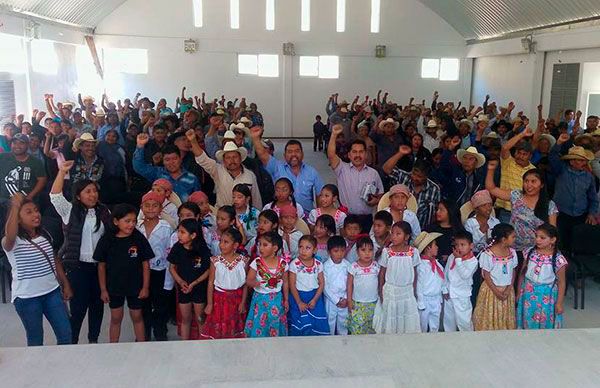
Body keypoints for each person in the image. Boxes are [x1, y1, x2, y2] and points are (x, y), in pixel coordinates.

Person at [50, 160, 111, 344]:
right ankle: (72, 342)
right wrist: (62, 172)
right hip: (78, 268)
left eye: (95, 191)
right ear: (78, 196)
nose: (93, 195)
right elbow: (55, 196)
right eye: (88, 192)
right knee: (77, 310)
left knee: (97, 308)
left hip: (99, 269)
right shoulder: (70, 211)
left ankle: (93, 341)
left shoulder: (104, 211)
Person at [2, 193, 72, 346]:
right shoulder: (12, 242)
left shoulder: (45, 234)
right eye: (29, 212)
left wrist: (65, 284)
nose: (36, 214)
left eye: (36, 210)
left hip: (52, 293)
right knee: (35, 339)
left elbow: (55, 260)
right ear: (17, 219)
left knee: (65, 334)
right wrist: (14, 206)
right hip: (27, 298)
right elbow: (10, 234)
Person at [95, 204, 153, 343]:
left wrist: (145, 287)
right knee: (116, 318)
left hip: (136, 287)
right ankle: (113, 347)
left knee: (137, 316)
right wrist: (103, 289)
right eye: (127, 221)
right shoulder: (107, 239)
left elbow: (146, 264)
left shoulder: (138, 238)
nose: (131, 224)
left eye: (134, 221)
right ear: (116, 221)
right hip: (114, 287)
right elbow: (101, 265)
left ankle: (142, 346)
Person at [486, 161, 558, 254]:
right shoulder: (516, 196)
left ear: (542, 185)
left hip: (536, 251)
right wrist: (490, 170)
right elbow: (491, 189)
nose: (529, 185)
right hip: (513, 249)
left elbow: (552, 231)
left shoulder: (550, 205)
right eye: (526, 181)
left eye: (533, 181)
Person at [251, 127, 324, 212]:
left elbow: (320, 196)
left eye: (297, 151)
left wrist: (318, 216)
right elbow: (263, 154)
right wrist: (255, 138)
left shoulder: (312, 172)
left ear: (302, 154)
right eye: (289, 152)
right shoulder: (276, 167)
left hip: (305, 219)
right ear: (284, 155)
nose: (294, 154)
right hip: (281, 217)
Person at [328, 125, 383, 232]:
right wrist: (334, 134)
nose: (358, 155)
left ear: (366, 154)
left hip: (367, 219)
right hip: (347, 217)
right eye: (354, 152)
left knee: (365, 247)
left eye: (361, 152)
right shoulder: (342, 169)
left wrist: (376, 201)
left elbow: (381, 195)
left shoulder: (374, 174)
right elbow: (331, 155)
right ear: (349, 155)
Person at [187, 130, 262, 209]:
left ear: (240, 158)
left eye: (235, 157)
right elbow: (203, 159)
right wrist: (193, 141)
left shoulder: (250, 175)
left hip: (244, 218)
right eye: (228, 158)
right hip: (222, 216)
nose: (232, 161)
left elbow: (256, 200)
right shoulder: (217, 170)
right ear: (224, 160)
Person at [550, 135, 598, 254]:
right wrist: (559, 143)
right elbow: (552, 157)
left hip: (580, 216)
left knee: (577, 245)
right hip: (561, 215)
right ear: (571, 161)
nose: (581, 162)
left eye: (583, 160)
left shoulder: (589, 177)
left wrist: (592, 213)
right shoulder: (561, 170)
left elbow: (593, 198)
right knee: (560, 244)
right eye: (578, 159)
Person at [136, 191, 173, 341]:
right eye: (147, 206)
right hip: (140, 273)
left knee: (160, 305)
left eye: (155, 206)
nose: (151, 209)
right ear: (141, 207)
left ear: (160, 209)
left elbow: (169, 253)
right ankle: (143, 333)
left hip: (160, 271)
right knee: (142, 304)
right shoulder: (137, 227)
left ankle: (160, 332)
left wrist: (169, 279)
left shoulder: (166, 227)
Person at [373, 221, 421, 334]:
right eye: (392, 233)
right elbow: (382, 273)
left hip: (407, 291)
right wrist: (380, 290)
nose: (393, 236)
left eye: (398, 234)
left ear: (407, 236)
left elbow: (415, 273)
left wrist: (414, 291)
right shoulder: (387, 252)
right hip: (391, 291)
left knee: (406, 319)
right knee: (391, 318)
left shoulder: (413, 252)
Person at [516, 223, 567, 330]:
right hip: (528, 293)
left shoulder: (558, 259)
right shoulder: (529, 252)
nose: (537, 240)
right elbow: (522, 274)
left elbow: (562, 282)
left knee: (544, 320)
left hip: (546, 296)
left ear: (553, 240)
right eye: (537, 236)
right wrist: (518, 292)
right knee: (528, 317)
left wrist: (559, 303)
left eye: (542, 238)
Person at [201, 228, 249, 339]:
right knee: (218, 325)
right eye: (221, 241)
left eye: (226, 242)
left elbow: (245, 284)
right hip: (219, 300)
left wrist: (243, 302)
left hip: (236, 300)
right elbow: (210, 282)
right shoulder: (215, 261)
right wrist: (210, 303)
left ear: (235, 245)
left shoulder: (243, 261)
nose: (221, 245)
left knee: (235, 326)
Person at [168, 219, 211, 340]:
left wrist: (194, 283)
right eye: (179, 232)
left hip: (199, 288)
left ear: (193, 235)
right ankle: (184, 345)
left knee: (200, 318)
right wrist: (181, 282)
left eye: (182, 232)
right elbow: (172, 268)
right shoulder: (177, 248)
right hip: (184, 289)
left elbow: (208, 270)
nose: (179, 235)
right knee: (185, 319)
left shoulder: (202, 249)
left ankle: (203, 346)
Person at [473, 223, 518, 331]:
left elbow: (513, 271)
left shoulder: (512, 253)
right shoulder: (487, 254)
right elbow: (487, 276)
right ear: (503, 239)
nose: (515, 239)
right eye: (513, 236)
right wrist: (497, 292)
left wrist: (508, 289)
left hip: (507, 290)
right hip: (491, 291)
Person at [244, 231, 289, 337]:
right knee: (260, 324)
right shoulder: (256, 262)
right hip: (260, 301)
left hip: (277, 300)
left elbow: (286, 282)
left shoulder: (283, 264)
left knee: (275, 323)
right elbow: (248, 280)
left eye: (265, 245)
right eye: (259, 244)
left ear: (275, 248)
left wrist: (286, 300)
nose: (261, 248)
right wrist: (254, 283)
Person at [384, 146, 441, 228]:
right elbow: (386, 168)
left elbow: (435, 214)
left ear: (426, 177)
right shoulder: (404, 177)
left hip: (422, 230)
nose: (415, 178)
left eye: (419, 176)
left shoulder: (434, 189)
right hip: (397, 229)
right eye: (414, 173)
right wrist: (400, 153)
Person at [134, 134, 200, 202]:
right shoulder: (157, 173)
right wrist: (140, 146)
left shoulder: (192, 178)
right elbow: (139, 167)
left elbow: (198, 200)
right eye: (167, 160)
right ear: (163, 161)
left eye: (174, 159)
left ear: (180, 159)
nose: (171, 162)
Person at [288, 235, 329, 336]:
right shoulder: (294, 264)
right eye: (301, 247)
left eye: (308, 248)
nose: (303, 251)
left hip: (315, 297)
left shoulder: (318, 264)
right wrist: (299, 302)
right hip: (298, 297)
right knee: (301, 324)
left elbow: (321, 283)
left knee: (316, 324)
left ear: (315, 250)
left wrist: (315, 299)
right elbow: (292, 285)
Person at [495, 128, 536, 223]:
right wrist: (522, 134)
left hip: (524, 212)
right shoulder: (508, 162)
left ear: (530, 156)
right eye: (518, 153)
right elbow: (505, 148)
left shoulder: (533, 170)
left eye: (524, 154)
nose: (520, 156)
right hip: (506, 211)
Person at [442, 230, 478, 332]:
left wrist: (458, 260)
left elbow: (465, 275)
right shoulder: (452, 256)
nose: (459, 248)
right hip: (449, 293)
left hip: (462, 295)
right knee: (449, 321)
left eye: (463, 245)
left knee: (464, 321)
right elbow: (446, 274)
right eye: (457, 245)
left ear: (471, 246)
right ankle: (450, 341)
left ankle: (467, 342)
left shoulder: (473, 261)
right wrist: (445, 289)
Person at [346, 236, 380, 335]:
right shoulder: (353, 267)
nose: (367, 253)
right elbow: (349, 285)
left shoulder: (376, 266)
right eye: (363, 250)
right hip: (358, 303)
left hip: (373, 302)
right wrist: (349, 301)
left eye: (370, 250)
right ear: (357, 251)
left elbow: (379, 282)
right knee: (357, 327)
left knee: (371, 327)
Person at [0, 133, 47, 202]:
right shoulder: (2, 157)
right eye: (14, 143)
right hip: (4, 201)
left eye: (21, 143)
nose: (17, 146)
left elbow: (42, 180)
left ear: (28, 145)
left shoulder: (36, 162)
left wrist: (30, 196)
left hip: (26, 202)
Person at [438, 141, 486, 206]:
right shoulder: (454, 171)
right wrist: (449, 150)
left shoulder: (479, 178)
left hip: (469, 210)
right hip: (452, 209)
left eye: (471, 159)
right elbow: (443, 168)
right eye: (465, 158)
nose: (467, 161)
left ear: (476, 162)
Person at [414, 232, 444, 333]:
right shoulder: (421, 266)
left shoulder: (437, 264)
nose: (437, 247)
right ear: (428, 248)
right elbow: (419, 285)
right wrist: (421, 301)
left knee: (435, 325)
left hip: (435, 299)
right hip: (425, 300)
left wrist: (441, 294)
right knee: (422, 324)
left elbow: (441, 280)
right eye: (435, 245)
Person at [323, 236, 350, 335]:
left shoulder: (348, 265)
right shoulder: (325, 266)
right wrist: (336, 300)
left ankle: (343, 344)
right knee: (330, 322)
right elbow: (324, 287)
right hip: (331, 300)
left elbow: (350, 284)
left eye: (342, 250)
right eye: (336, 251)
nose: (339, 254)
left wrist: (346, 298)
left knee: (343, 324)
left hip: (344, 299)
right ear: (329, 252)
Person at [426, 200, 463, 265]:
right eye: (437, 209)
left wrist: (450, 257)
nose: (437, 212)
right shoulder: (430, 229)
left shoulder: (459, 231)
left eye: (441, 210)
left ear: (450, 211)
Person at [463, 190, 500, 255]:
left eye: (490, 205)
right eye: (483, 205)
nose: (488, 208)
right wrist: (481, 232)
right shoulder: (470, 223)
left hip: (493, 256)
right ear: (476, 209)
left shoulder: (496, 222)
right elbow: (467, 244)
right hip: (474, 255)